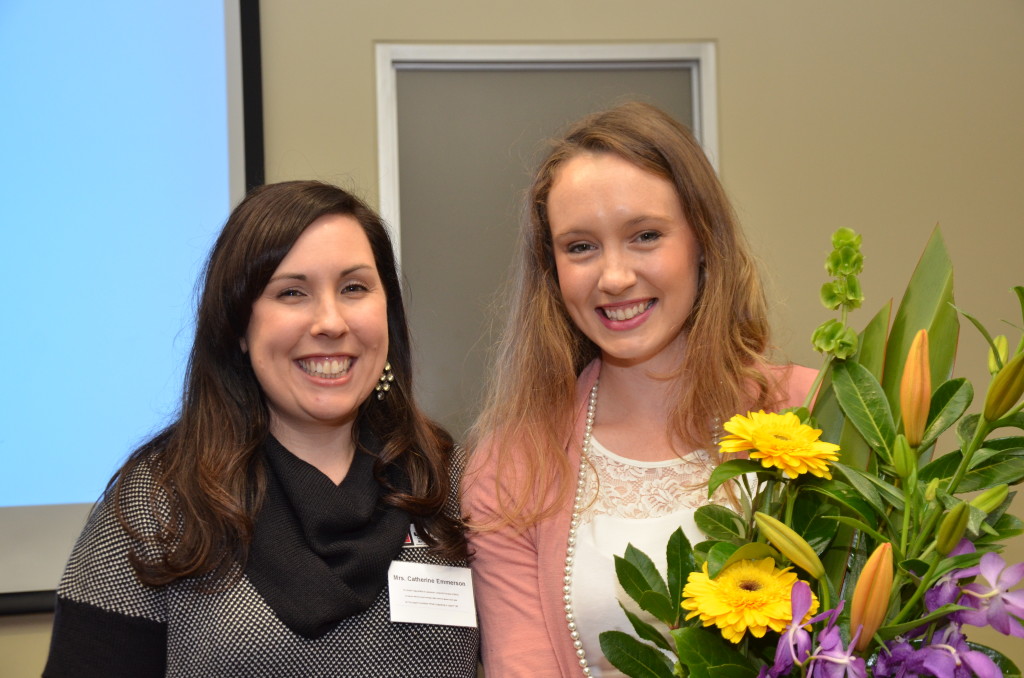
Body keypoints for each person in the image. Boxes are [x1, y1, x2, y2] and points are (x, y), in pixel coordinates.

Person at [45, 180, 479, 677]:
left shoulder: (454, 484)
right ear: (238, 328)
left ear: (389, 311)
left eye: (354, 288)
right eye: (291, 292)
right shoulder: (158, 501)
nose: (331, 322)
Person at [464, 102, 816, 677]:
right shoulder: (511, 465)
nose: (614, 276)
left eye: (645, 235)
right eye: (580, 247)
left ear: (703, 241)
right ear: (551, 270)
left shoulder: (814, 415)